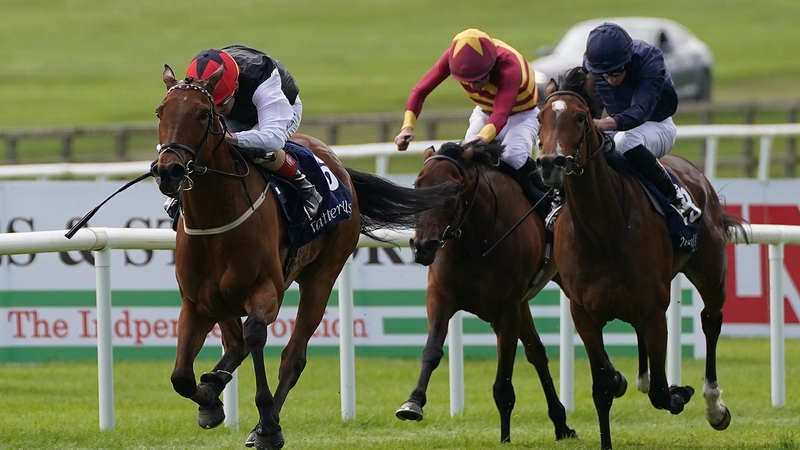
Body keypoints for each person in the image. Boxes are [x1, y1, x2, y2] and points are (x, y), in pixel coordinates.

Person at [394, 28, 550, 217]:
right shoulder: (452, 58)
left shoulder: (509, 65)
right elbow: (420, 91)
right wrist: (407, 126)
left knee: (513, 156)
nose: (473, 86)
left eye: (479, 78)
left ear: (492, 65)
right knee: (467, 162)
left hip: (522, 115)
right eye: (466, 81)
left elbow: (501, 112)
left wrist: (483, 138)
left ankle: (547, 201)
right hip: (485, 112)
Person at [166, 45, 322, 221]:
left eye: (222, 102)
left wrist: (229, 138)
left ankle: (305, 187)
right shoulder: (202, 87)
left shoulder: (262, 78)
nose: (218, 109)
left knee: (258, 150)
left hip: (281, 110)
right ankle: (181, 192)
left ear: (236, 85)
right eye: (213, 105)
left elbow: (273, 138)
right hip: (237, 111)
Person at [582, 22, 701, 222]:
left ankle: (676, 197)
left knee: (625, 142)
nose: (610, 80)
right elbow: (589, 107)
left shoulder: (650, 59)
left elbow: (640, 112)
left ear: (628, 61)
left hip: (657, 125)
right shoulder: (593, 65)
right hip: (617, 130)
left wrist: (601, 125)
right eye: (604, 75)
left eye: (615, 72)